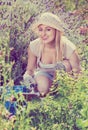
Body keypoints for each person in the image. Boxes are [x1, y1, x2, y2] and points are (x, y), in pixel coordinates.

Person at [23, 12, 81, 96]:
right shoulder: (34, 46)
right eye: (40, 29)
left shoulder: (68, 47)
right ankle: (50, 92)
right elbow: (30, 70)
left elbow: (77, 72)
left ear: (56, 31)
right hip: (45, 75)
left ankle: (64, 90)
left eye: (48, 29)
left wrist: (76, 90)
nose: (43, 34)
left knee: (65, 64)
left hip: (66, 79)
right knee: (42, 88)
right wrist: (27, 77)